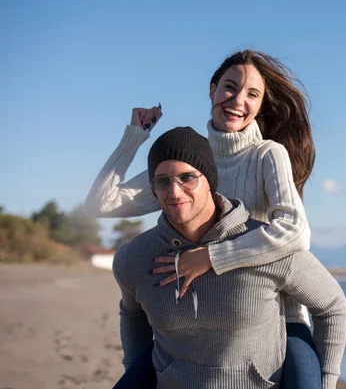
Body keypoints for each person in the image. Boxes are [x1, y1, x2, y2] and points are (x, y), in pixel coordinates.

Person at [84, 50, 320, 384]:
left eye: (252, 94)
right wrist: (135, 135)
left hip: (278, 315)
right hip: (199, 320)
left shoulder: (268, 154)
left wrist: (210, 257)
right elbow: (101, 204)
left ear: (261, 104)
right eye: (229, 87)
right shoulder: (189, 163)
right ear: (211, 90)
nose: (237, 100)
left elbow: (296, 232)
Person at [111, 126, 346, 388]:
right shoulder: (134, 258)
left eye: (187, 177)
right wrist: (133, 369)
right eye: (163, 182)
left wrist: (327, 381)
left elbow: (331, 305)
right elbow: (132, 315)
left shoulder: (265, 246)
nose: (175, 192)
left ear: (210, 180)